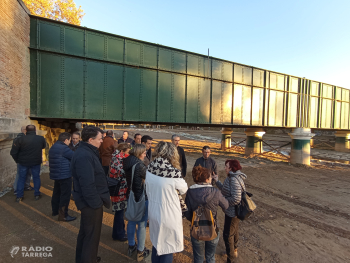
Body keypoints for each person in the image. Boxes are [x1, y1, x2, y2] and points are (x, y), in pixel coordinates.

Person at [71, 126, 111, 263]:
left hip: (89, 202)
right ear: (90, 139)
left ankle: (85, 258)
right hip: (91, 204)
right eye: (100, 139)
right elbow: (87, 184)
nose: (101, 142)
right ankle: (88, 259)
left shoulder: (86, 152)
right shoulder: (84, 155)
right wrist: (96, 204)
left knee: (86, 233)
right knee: (91, 236)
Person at [146, 141, 188, 262]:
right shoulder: (173, 173)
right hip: (169, 214)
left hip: (153, 211)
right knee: (168, 247)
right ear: (172, 155)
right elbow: (184, 189)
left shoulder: (150, 168)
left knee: (156, 243)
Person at [184, 166, 229, 263]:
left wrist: (194, 218)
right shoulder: (216, 192)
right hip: (213, 228)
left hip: (196, 229)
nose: (211, 178)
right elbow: (226, 206)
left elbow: (186, 212)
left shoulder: (190, 192)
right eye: (210, 177)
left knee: (198, 258)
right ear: (207, 179)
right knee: (210, 257)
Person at [212, 160, 246, 262]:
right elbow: (225, 190)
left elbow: (236, 198)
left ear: (231, 168)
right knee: (234, 231)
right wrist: (217, 180)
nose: (225, 168)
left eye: (226, 166)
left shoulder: (234, 180)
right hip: (233, 211)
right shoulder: (232, 177)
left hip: (233, 212)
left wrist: (225, 202)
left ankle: (230, 258)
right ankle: (234, 250)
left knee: (227, 235)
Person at [123, 144, 150, 261]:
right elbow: (149, 179)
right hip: (141, 197)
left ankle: (131, 245)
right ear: (139, 153)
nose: (145, 155)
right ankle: (140, 250)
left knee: (131, 222)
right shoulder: (139, 165)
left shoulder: (128, 161)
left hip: (131, 195)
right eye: (144, 153)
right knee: (142, 225)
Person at [10, 125, 46, 202]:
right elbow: (43, 146)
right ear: (35, 130)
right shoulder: (40, 138)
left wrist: (18, 160)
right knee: (36, 178)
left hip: (23, 162)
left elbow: (13, 152)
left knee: (21, 178)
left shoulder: (20, 139)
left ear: (26, 130)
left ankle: (19, 196)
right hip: (36, 162)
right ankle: (37, 194)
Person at [49, 132, 76, 222]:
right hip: (64, 175)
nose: (69, 142)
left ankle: (55, 211)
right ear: (66, 140)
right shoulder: (64, 148)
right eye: (69, 140)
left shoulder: (54, 146)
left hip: (57, 174)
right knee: (65, 195)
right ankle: (63, 215)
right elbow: (74, 156)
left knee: (57, 193)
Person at [109, 143, 131, 242]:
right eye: (127, 152)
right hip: (119, 189)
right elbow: (120, 172)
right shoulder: (117, 159)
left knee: (120, 212)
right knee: (119, 212)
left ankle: (119, 231)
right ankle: (118, 234)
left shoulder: (116, 157)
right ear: (122, 151)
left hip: (120, 189)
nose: (129, 154)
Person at [12, 126, 33, 195]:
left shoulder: (28, 138)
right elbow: (13, 152)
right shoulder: (18, 139)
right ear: (22, 130)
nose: (26, 131)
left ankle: (26, 186)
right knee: (19, 175)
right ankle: (16, 190)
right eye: (24, 129)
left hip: (28, 159)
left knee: (28, 173)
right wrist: (17, 160)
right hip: (21, 160)